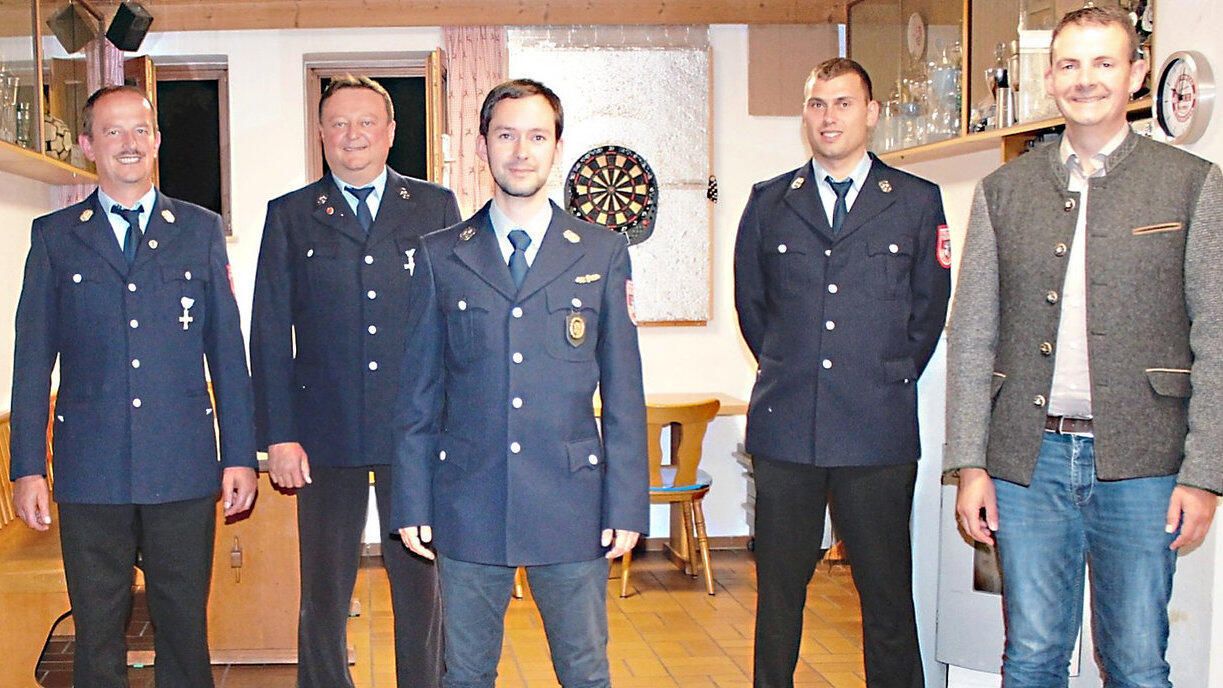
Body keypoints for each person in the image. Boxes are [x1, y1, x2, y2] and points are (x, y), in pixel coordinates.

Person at [946, 7, 1221, 686]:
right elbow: (973, 336)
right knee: (1030, 657)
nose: (1085, 79)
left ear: (1136, 73)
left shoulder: (1192, 184)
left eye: (1103, 63)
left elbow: (1215, 338)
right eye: (1069, 64)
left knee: (1136, 662)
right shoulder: (1002, 192)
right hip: (1027, 463)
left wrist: (1203, 474)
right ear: (1048, 78)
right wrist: (970, 464)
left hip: (1145, 466)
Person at [392, 78, 647, 688]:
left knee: (585, 672)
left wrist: (625, 503)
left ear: (556, 146)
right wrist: (412, 499)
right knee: (466, 673)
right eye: (506, 135)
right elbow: (418, 394)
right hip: (469, 497)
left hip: (572, 501)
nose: (521, 151)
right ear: (483, 145)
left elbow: (623, 393)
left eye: (536, 136)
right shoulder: (442, 254)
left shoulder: (601, 253)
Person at [8, 85, 257, 688]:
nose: (128, 143)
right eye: (112, 131)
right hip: (90, 469)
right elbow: (32, 360)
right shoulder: (55, 235)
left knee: (183, 627)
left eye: (140, 129)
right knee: (97, 631)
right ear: (88, 145)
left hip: (182, 465)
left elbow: (228, 353)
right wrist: (27, 468)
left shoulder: (199, 229)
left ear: (157, 140)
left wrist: (239, 456)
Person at [734, 58, 951, 688]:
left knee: (887, 597)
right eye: (817, 104)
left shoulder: (915, 202)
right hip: (786, 428)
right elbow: (753, 308)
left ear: (872, 113)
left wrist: (879, 377)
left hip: (876, 432)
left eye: (843, 103)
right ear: (806, 114)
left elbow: (927, 313)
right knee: (779, 598)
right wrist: (793, 367)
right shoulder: (770, 202)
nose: (829, 117)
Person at [249, 75, 460, 688]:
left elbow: (457, 323)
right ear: (320, 134)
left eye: (366, 122)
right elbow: (269, 334)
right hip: (322, 432)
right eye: (339, 123)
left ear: (391, 133)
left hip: (414, 431)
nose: (353, 135)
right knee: (324, 590)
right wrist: (278, 435)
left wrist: (455, 426)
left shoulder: (434, 208)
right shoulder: (291, 215)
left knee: (422, 586)